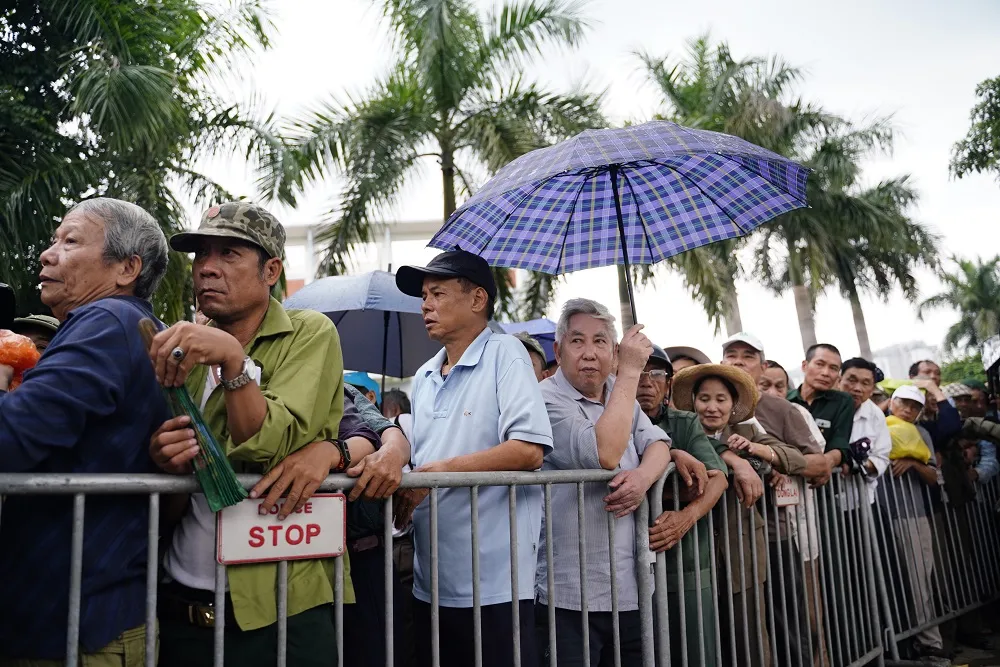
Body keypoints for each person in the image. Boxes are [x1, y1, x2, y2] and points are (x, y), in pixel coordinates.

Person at [149, 202, 358, 666]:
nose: (207, 268)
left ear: (271, 270)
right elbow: (175, 472)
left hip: (283, 607)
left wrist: (234, 363)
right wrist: (165, 459)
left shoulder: (309, 332)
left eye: (229, 254)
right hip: (183, 601)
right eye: (201, 254)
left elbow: (269, 441)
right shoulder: (182, 345)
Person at [0, 198, 171, 664]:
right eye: (54, 240)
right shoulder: (126, 325)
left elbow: (11, 438)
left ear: (127, 268)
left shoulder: (105, 323)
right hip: (81, 614)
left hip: (78, 628)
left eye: (70, 241)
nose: (47, 254)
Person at [394, 250, 553, 667]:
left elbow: (529, 450)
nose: (425, 305)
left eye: (438, 293)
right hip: (432, 578)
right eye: (424, 296)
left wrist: (438, 474)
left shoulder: (506, 353)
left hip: (496, 581)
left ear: (477, 299)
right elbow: (425, 455)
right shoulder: (425, 376)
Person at [536, 299, 672, 666]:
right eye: (577, 341)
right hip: (571, 590)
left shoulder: (619, 391)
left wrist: (643, 478)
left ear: (614, 350)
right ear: (559, 349)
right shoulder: (545, 399)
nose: (589, 353)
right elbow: (603, 454)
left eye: (600, 342)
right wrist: (630, 372)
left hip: (633, 586)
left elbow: (658, 444)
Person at [673, 364, 807, 667]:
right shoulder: (679, 429)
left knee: (748, 637)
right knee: (704, 638)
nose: (712, 407)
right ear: (693, 401)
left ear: (734, 405)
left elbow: (797, 459)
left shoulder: (747, 431)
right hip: (695, 552)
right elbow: (694, 447)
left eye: (721, 399)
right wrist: (732, 457)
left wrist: (756, 451)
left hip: (743, 551)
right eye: (704, 398)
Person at [639, 345, 728, 667]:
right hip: (627, 566)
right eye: (636, 371)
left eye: (656, 374)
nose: (645, 382)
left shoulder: (685, 422)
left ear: (668, 384)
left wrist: (686, 517)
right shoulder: (611, 421)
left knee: (694, 649)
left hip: (686, 560)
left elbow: (718, 478)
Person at [881, 385, 946, 660]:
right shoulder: (876, 427)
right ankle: (898, 644)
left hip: (913, 515)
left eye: (914, 406)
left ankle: (930, 642)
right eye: (903, 403)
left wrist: (913, 462)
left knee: (920, 580)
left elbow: (934, 477)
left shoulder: (922, 434)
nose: (908, 409)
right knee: (888, 583)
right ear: (891, 403)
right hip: (877, 516)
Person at [788, 344, 854, 473]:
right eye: (820, 364)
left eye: (833, 368)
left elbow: (840, 442)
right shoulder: (785, 400)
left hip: (824, 484)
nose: (825, 373)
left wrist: (826, 463)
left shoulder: (843, 401)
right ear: (804, 366)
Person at [838, 358, 892, 502]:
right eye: (851, 380)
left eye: (865, 383)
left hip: (862, 500)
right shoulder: (822, 407)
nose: (857, 388)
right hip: (825, 502)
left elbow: (881, 457)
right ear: (839, 379)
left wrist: (856, 464)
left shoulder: (876, 415)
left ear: (872, 388)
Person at [908, 359, 961, 451]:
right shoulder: (904, 400)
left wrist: (936, 392)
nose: (933, 377)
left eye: (937, 373)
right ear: (912, 377)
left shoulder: (942, 397)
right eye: (927, 372)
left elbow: (952, 427)